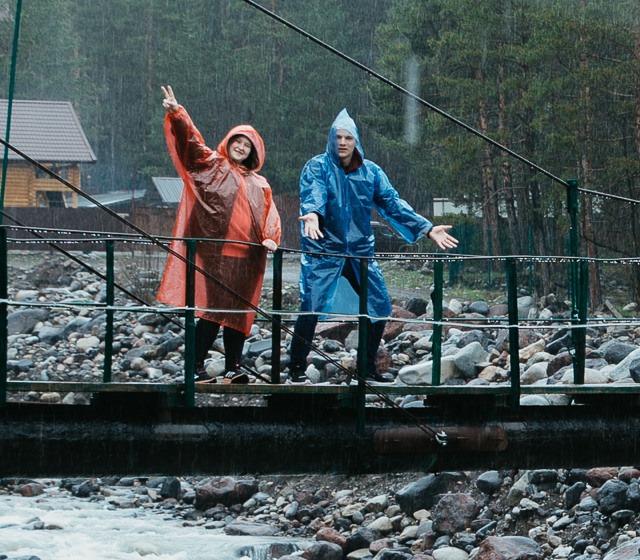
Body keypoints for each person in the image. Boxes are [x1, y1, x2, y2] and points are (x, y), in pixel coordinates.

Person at [290, 107, 455, 381]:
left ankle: (365, 368)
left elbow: (393, 204)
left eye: (348, 138)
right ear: (331, 140)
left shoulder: (370, 173)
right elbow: (314, 193)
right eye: (338, 137)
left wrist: (426, 228)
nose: (342, 142)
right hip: (324, 251)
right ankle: (295, 367)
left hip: (360, 252)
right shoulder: (318, 166)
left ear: (356, 142)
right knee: (311, 306)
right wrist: (313, 214)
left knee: (378, 307)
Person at [156, 90, 283, 379]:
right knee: (214, 311)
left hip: (248, 257)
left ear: (254, 152)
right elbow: (191, 144)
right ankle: (196, 366)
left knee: (239, 314)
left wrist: (271, 236)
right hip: (216, 252)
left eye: (246, 145)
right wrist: (178, 113)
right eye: (237, 141)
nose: (240, 147)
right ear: (228, 142)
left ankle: (233, 368)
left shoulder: (260, 182)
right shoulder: (213, 165)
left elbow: (270, 213)